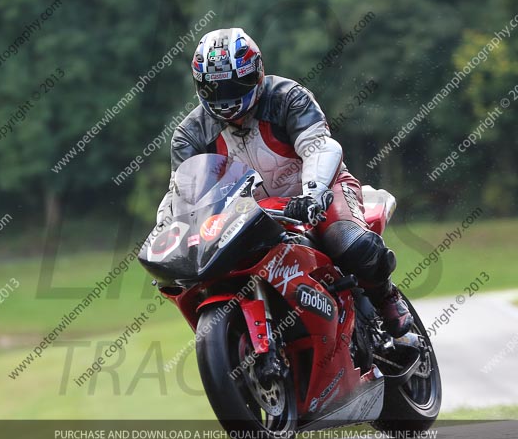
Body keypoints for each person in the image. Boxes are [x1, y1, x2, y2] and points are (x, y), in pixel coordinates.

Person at [156, 28, 412, 337]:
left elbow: (319, 146)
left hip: (319, 192)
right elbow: (182, 193)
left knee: (348, 241)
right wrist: (170, 238)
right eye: (215, 90)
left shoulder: (288, 97)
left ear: (256, 73)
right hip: (245, 218)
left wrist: (313, 193)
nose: (226, 98)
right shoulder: (190, 134)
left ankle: (387, 299)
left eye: (235, 85)